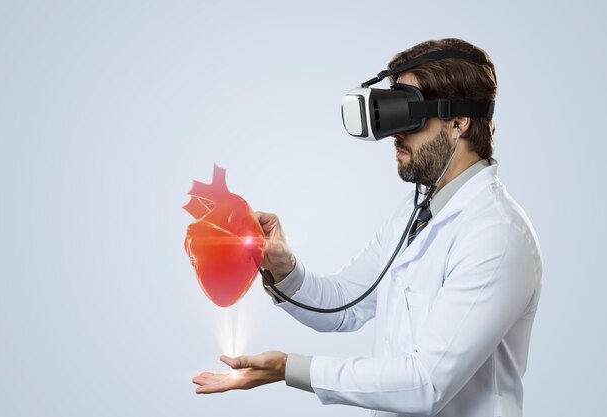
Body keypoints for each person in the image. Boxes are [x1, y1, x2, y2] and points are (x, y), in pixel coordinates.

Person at [192, 38, 542, 417]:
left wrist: (287, 368)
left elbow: (426, 383)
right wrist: (284, 269)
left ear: (459, 122)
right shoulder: (417, 213)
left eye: (409, 114)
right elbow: (345, 306)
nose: (394, 133)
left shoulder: (497, 236)